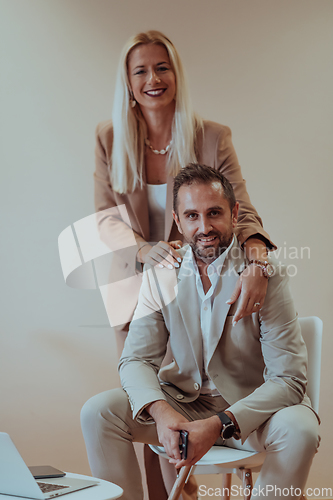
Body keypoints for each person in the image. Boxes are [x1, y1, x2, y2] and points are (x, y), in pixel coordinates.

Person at [81, 164, 320, 500]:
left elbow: (290, 379)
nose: (204, 227)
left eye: (214, 213)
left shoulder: (265, 274)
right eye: (192, 215)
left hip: (251, 412)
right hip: (183, 405)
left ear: (235, 213)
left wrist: (219, 423)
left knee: (301, 428)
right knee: (98, 412)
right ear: (178, 221)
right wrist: (162, 415)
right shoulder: (162, 274)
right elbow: (135, 359)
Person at [94, 29, 276, 359]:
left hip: (197, 286)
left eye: (162, 67)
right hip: (132, 286)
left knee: (197, 395)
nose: (153, 78)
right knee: (140, 395)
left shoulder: (212, 137)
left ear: (176, 74)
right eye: (141, 70)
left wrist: (258, 263)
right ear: (129, 82)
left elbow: (243, 211)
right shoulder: (108, 137)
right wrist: (143, 251)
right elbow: (106, 218)